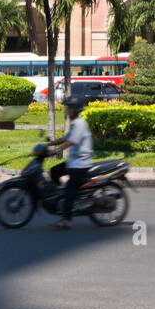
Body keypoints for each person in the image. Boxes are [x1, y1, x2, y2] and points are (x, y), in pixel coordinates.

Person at [49, 96, 93, 229]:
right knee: (54, 171)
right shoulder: (76, 124)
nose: (67, 110)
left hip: (80, 164)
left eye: (69, 108)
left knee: (70, 187)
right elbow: (65, 138)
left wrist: (57, 150)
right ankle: (61, 199)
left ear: (75, 110)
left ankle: (66, 220)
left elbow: (71, 142)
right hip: (73, 162)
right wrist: (48, 144)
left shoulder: (79, 124)